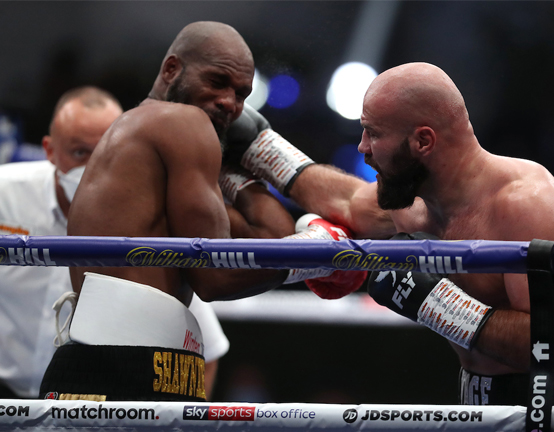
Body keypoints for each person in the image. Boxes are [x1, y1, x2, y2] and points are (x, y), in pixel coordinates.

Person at [223, 62, 554, 406]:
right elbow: (344, 200)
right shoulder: (414, 206)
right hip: (478, 400)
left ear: (423, 141)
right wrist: (257, 144)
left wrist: (433, 301)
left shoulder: (525, 204)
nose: (362, 148)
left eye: (373, 133)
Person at [40, 22, 363, 402]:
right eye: (217, 81)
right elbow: (215, 276)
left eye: (242, 93)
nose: (231, 103)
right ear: (171, 70)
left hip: (151, 364)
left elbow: (273, 237)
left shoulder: (157, 153)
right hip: (121, 365)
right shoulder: (181, 121)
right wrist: (318, 251)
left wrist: (240, 164)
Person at [0, 86, 230, 400]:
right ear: (50, 150)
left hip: (84, 406)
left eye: (107, 152)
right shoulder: (5, 194)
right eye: (80, 152)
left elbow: (209, 351)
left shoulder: (148, 219)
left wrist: (179, 421)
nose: (94, 167)